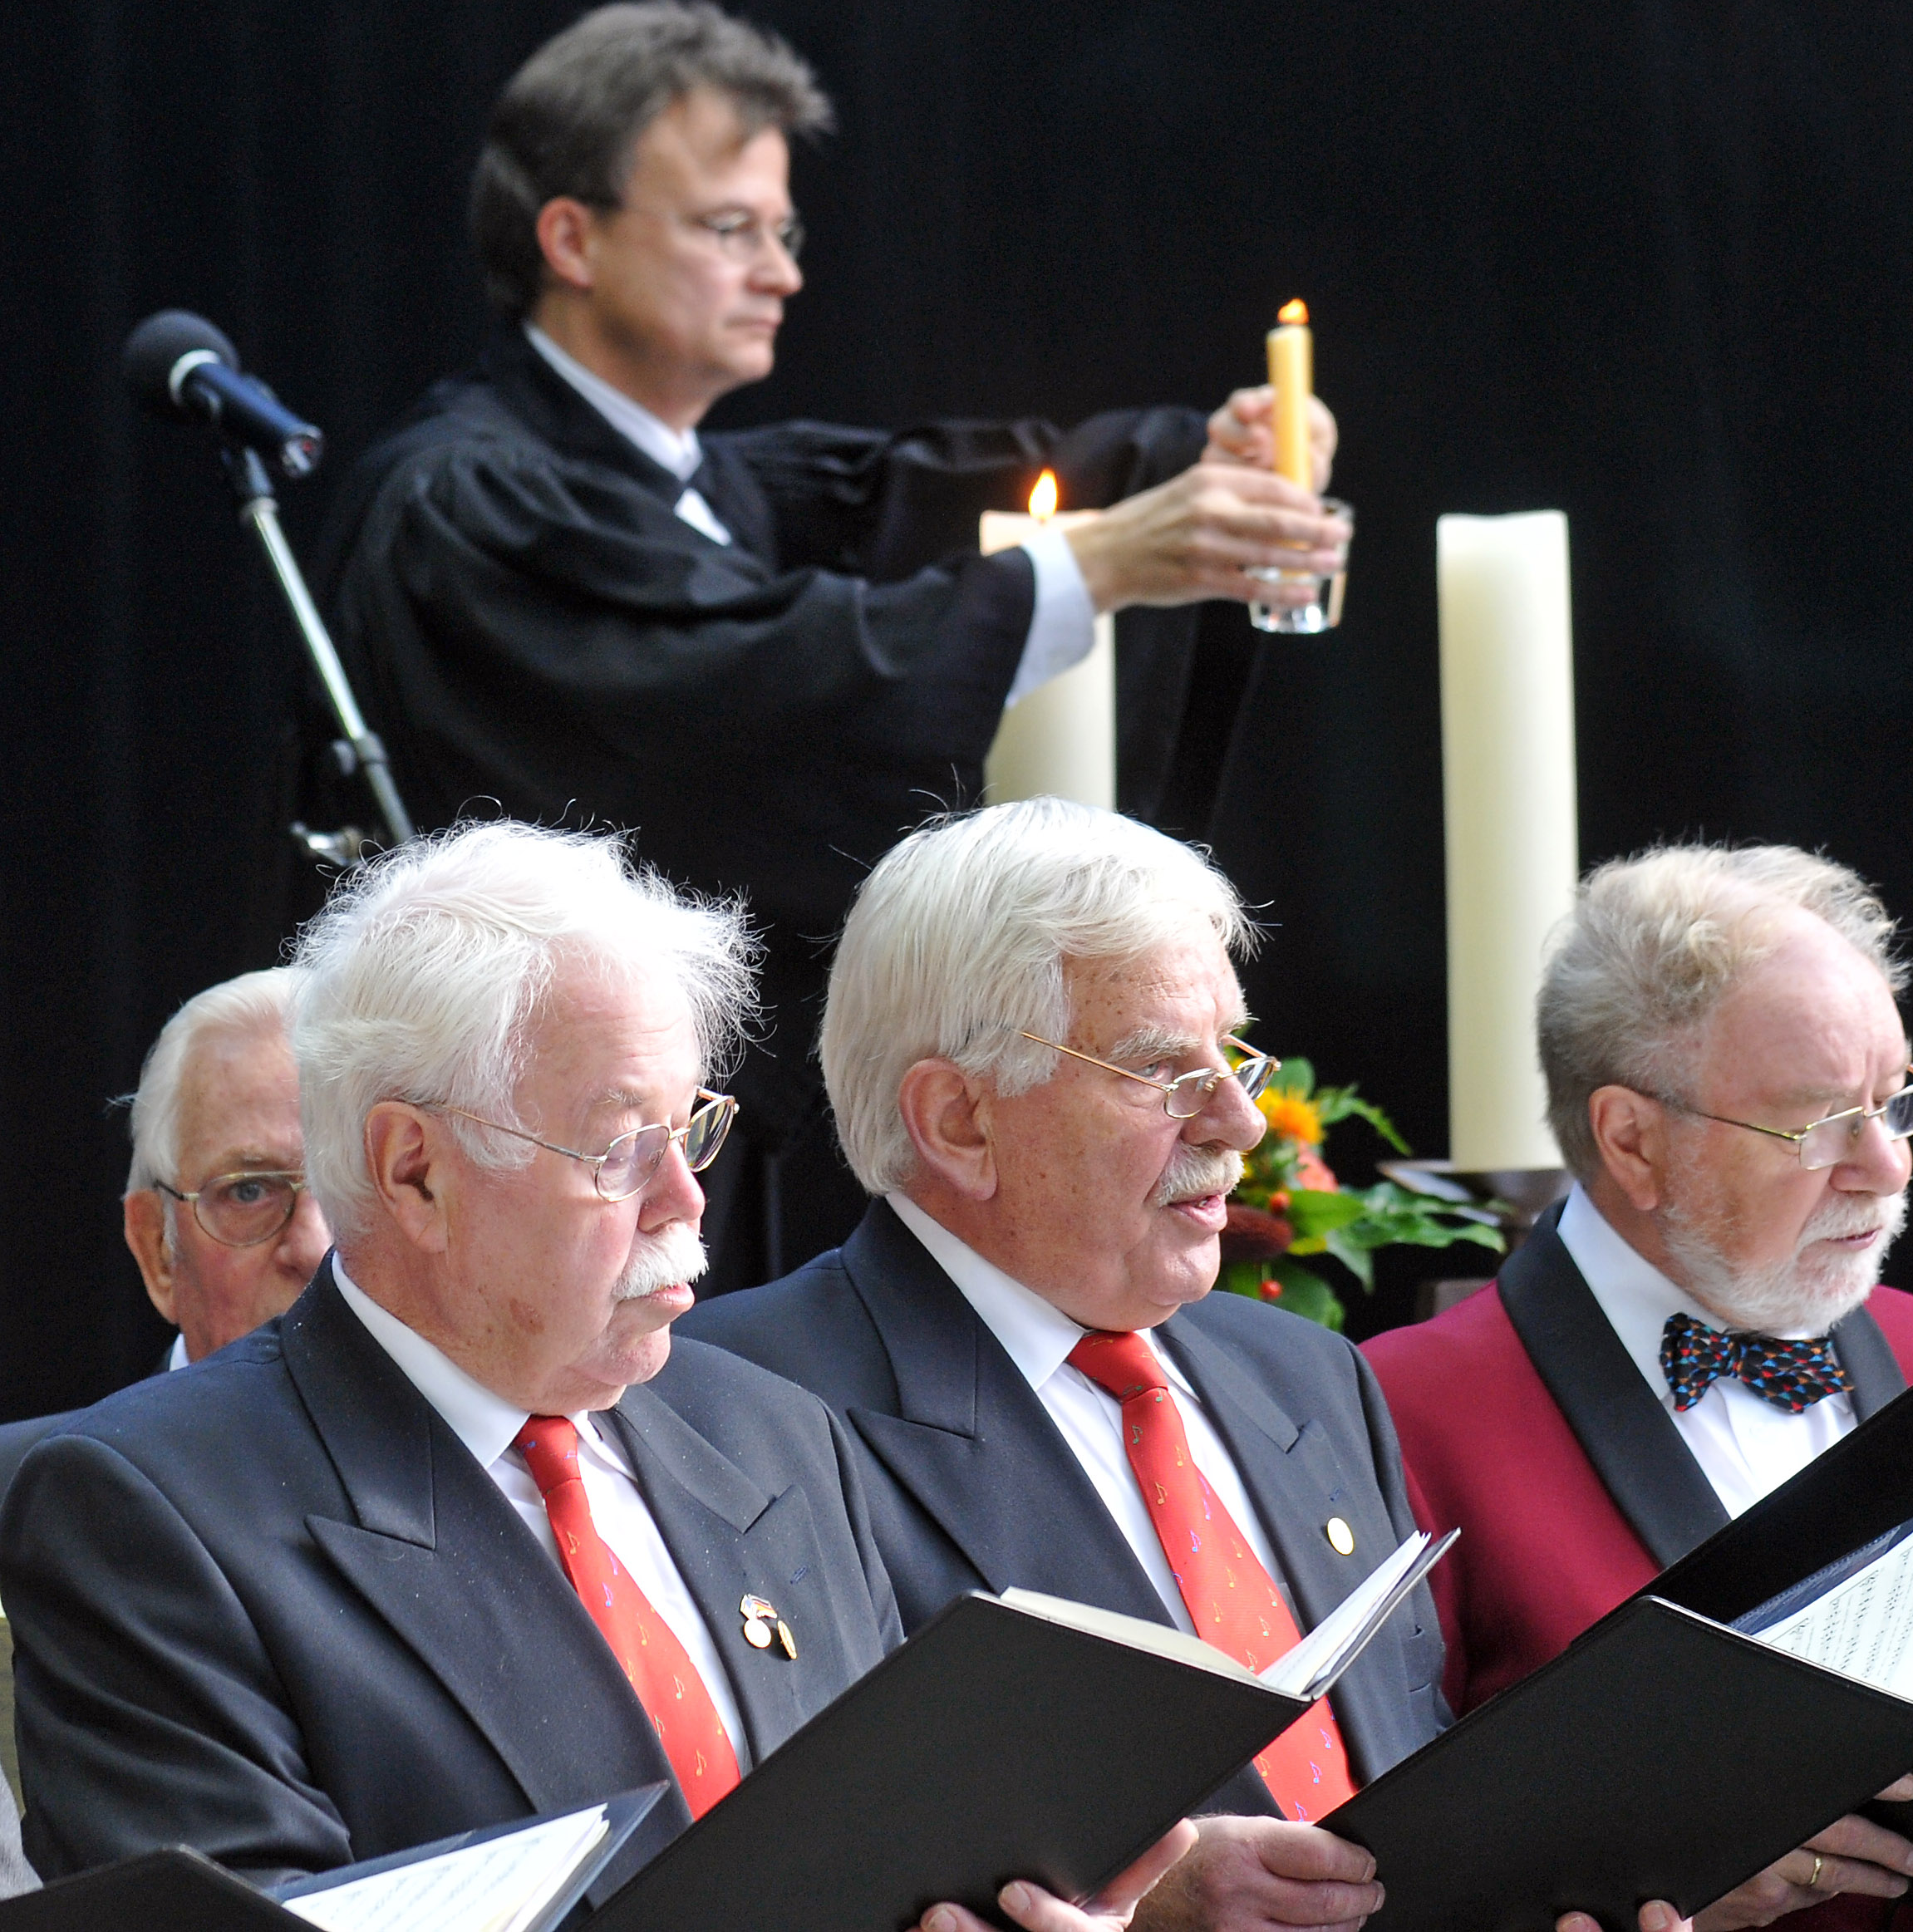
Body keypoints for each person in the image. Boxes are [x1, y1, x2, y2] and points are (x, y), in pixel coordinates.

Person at [314, 0, 1349, 1286]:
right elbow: (739, 704)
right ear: (571, 237)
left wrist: (1205, 462)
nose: (784, 271)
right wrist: (1111, 551)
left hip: (740, 1157)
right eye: (728, 228)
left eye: (785, 230)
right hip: (540, 1165)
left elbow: (936, 497)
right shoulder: (464, 502)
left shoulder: (709, 485)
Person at [0, 821, 1187, 1932]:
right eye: (623, 1145)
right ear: (414, 1170)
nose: (685, 1199)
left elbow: (893, 1844)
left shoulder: (771, 1435)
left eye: (693, 1127)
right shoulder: (148, 1508)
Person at [1364, 843, 1913, 1932]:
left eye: (1894, 1097)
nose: (1888, 1165)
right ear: (1633, 1139)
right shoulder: (1401, 1408)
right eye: (1818, 1121)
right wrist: (1653, 1883)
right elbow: (1374, 1871)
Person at [683, 800, 1443, 1932]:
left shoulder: (1307, 1374)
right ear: (959, 1120)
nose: (1239, 1120)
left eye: (1232, 1054)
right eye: (1160, 1068)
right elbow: (784, 1870)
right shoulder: (730, 1409)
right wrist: (1141, 1902)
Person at [0, 971, 336, 1500]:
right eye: (249, 1191)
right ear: (158, 1246)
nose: (318, 1248)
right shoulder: (21, 1502)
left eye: (351, 1186)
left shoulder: (498, 1481)